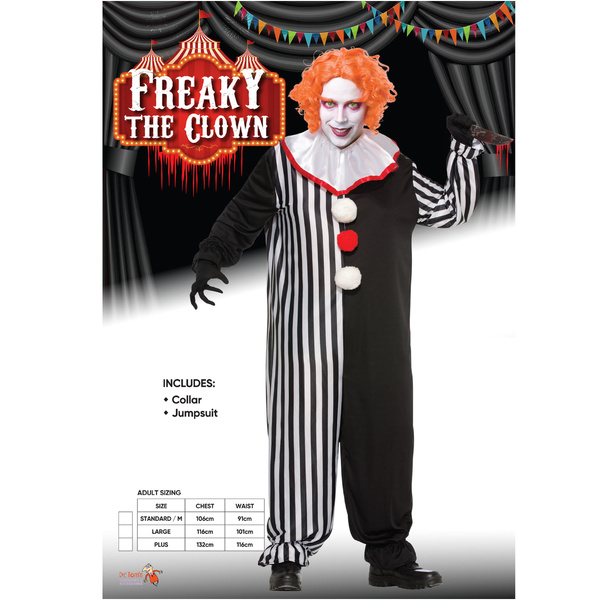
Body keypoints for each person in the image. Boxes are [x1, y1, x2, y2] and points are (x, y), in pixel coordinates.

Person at [190, 47, 483, 592]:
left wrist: (464, 150)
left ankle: (388, 556)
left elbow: (447, 210)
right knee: (299, 436)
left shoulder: (392, 164)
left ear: (370, 105)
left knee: (385, 438)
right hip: (303, 331)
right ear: (313, 104)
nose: (341, 117)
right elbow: (239, 220)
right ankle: (288, 552)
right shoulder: (285, 160)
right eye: (329, 104)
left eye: (353, 105)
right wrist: (211, 259)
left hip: (380, 332)